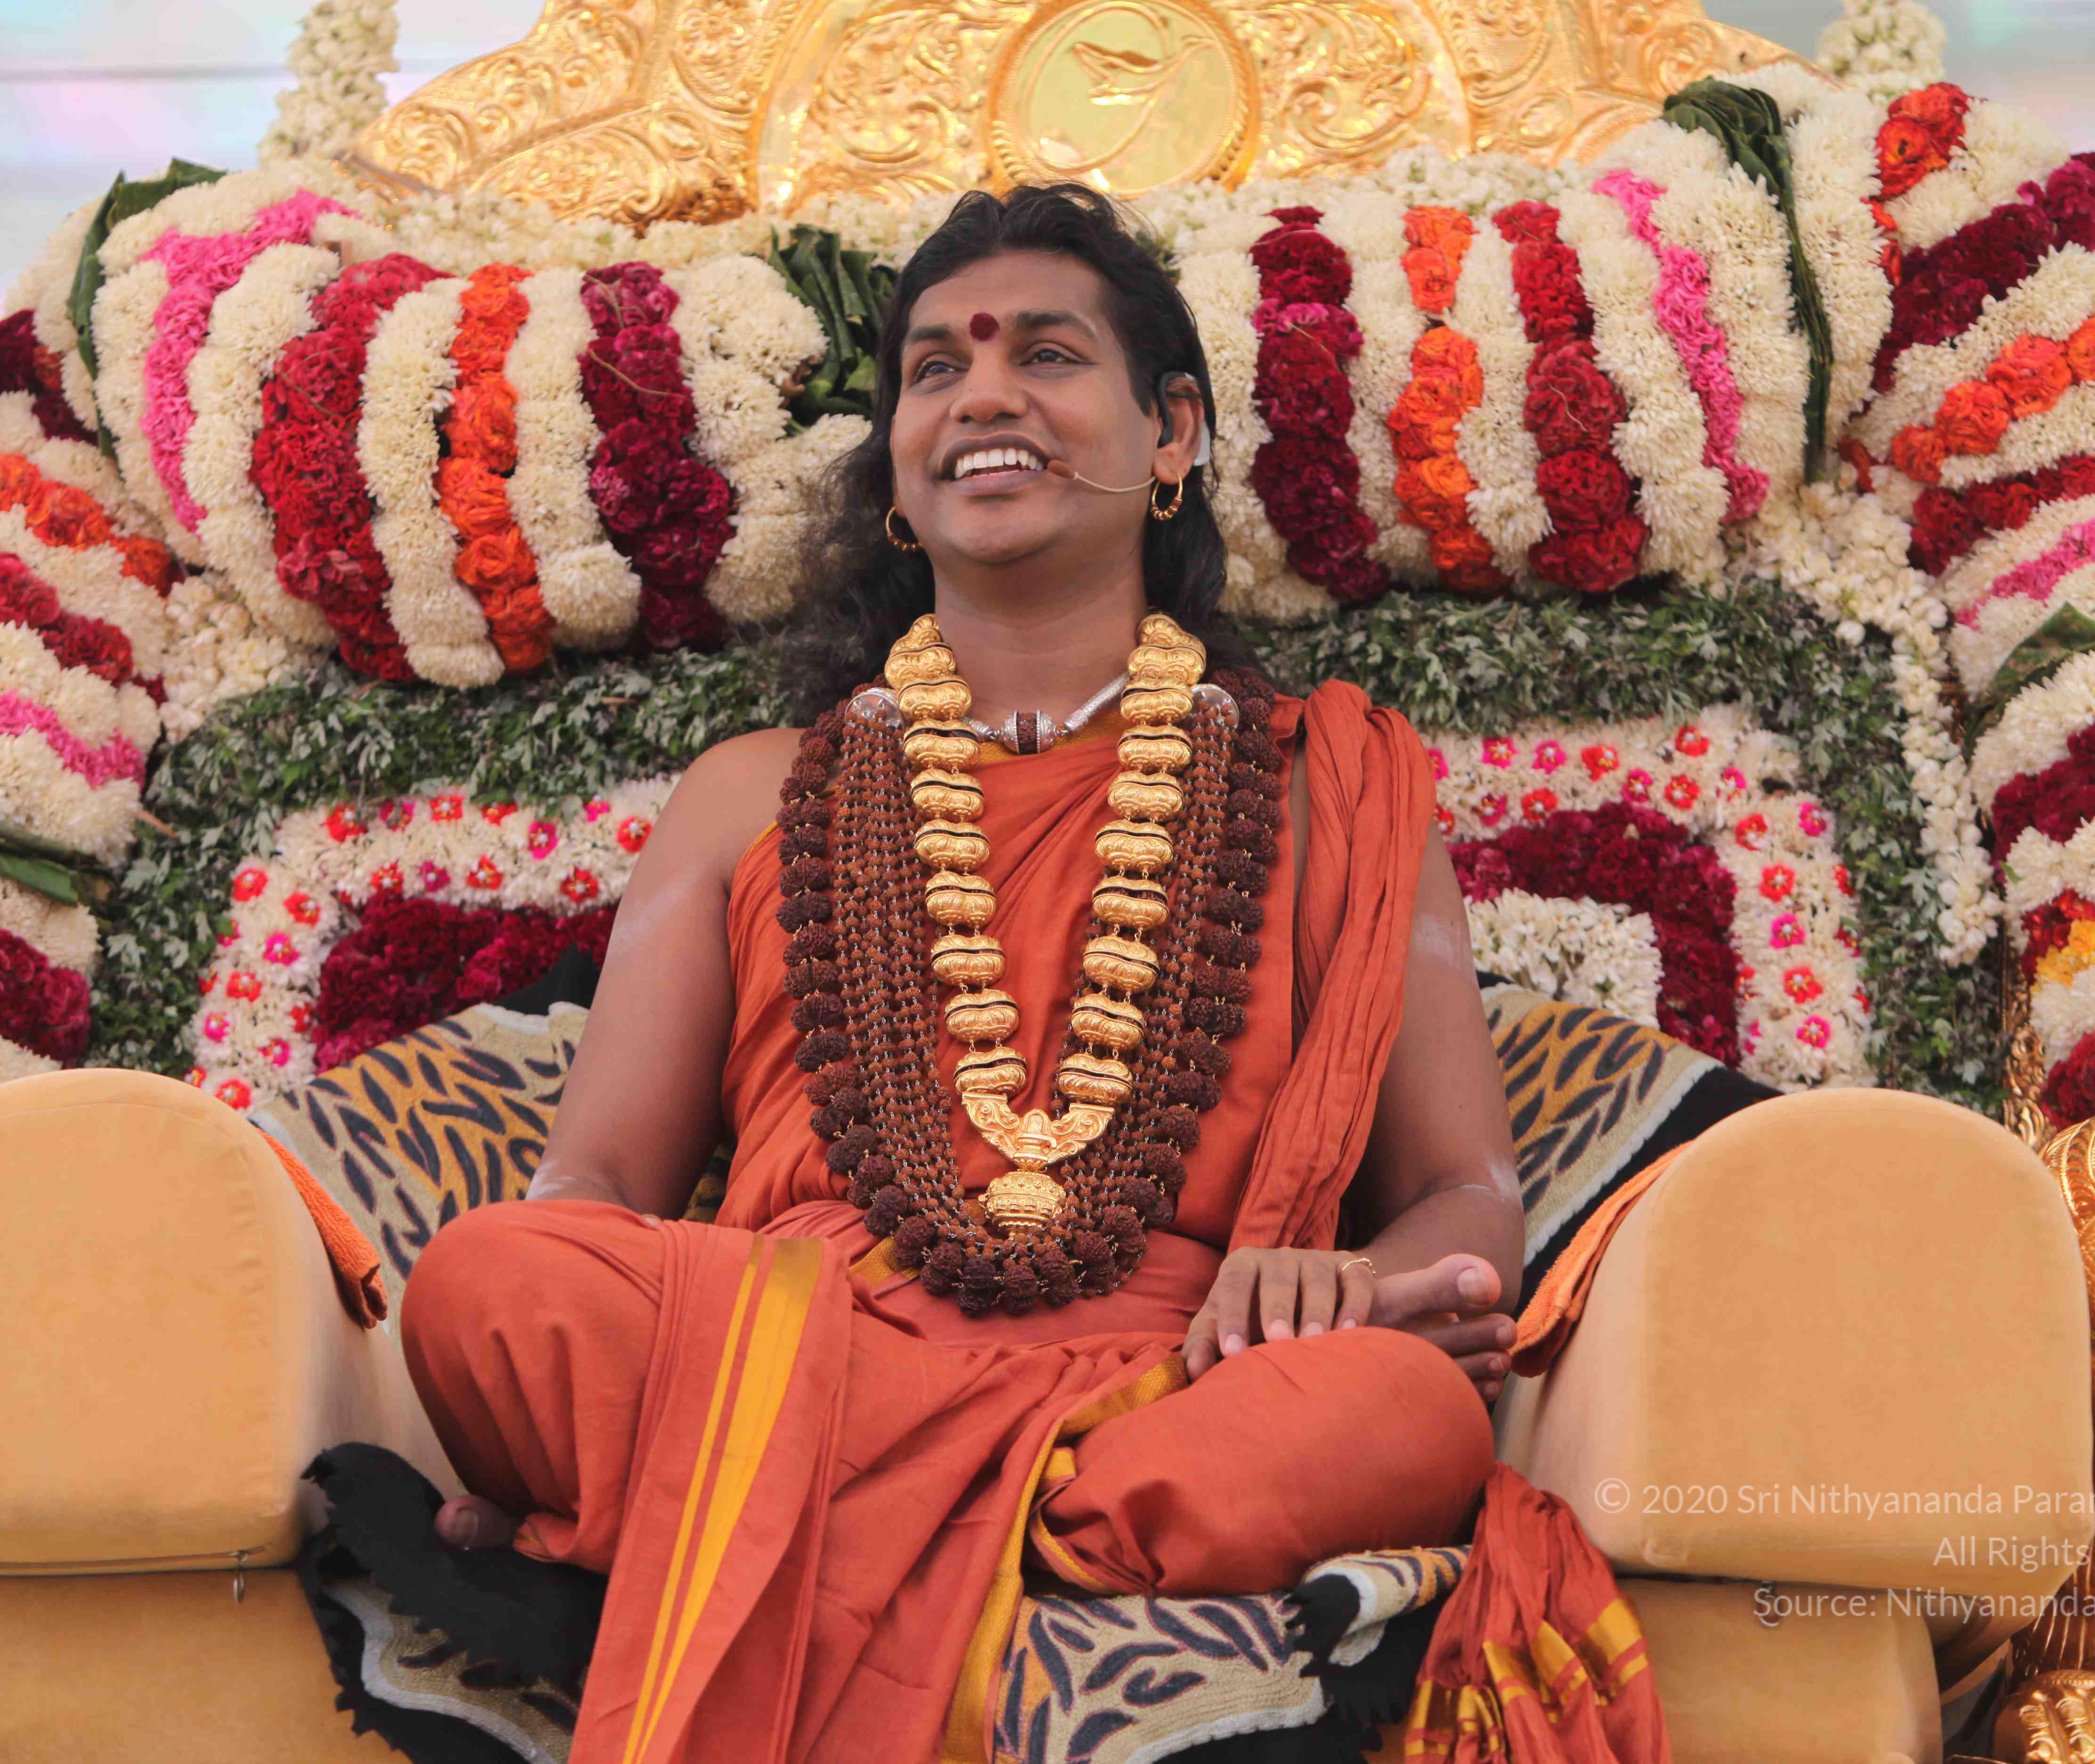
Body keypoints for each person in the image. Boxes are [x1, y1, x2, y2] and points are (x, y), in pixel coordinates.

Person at [399, 182, 1531, 1764]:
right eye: (936, 369)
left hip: (1164, 1383)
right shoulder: (749, 792)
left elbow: (1468, 1194)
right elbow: (595, 1182)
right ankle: (1018, 1530)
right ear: (898, 471)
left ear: (1173, 436)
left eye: (1046, 355)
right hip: (791, 1348)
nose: (983, 395)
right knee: (493, 1284)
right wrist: (575, 1364)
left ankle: (717, 1514)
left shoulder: (1323, 784)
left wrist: (1357, 1284)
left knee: (1395, 1415)